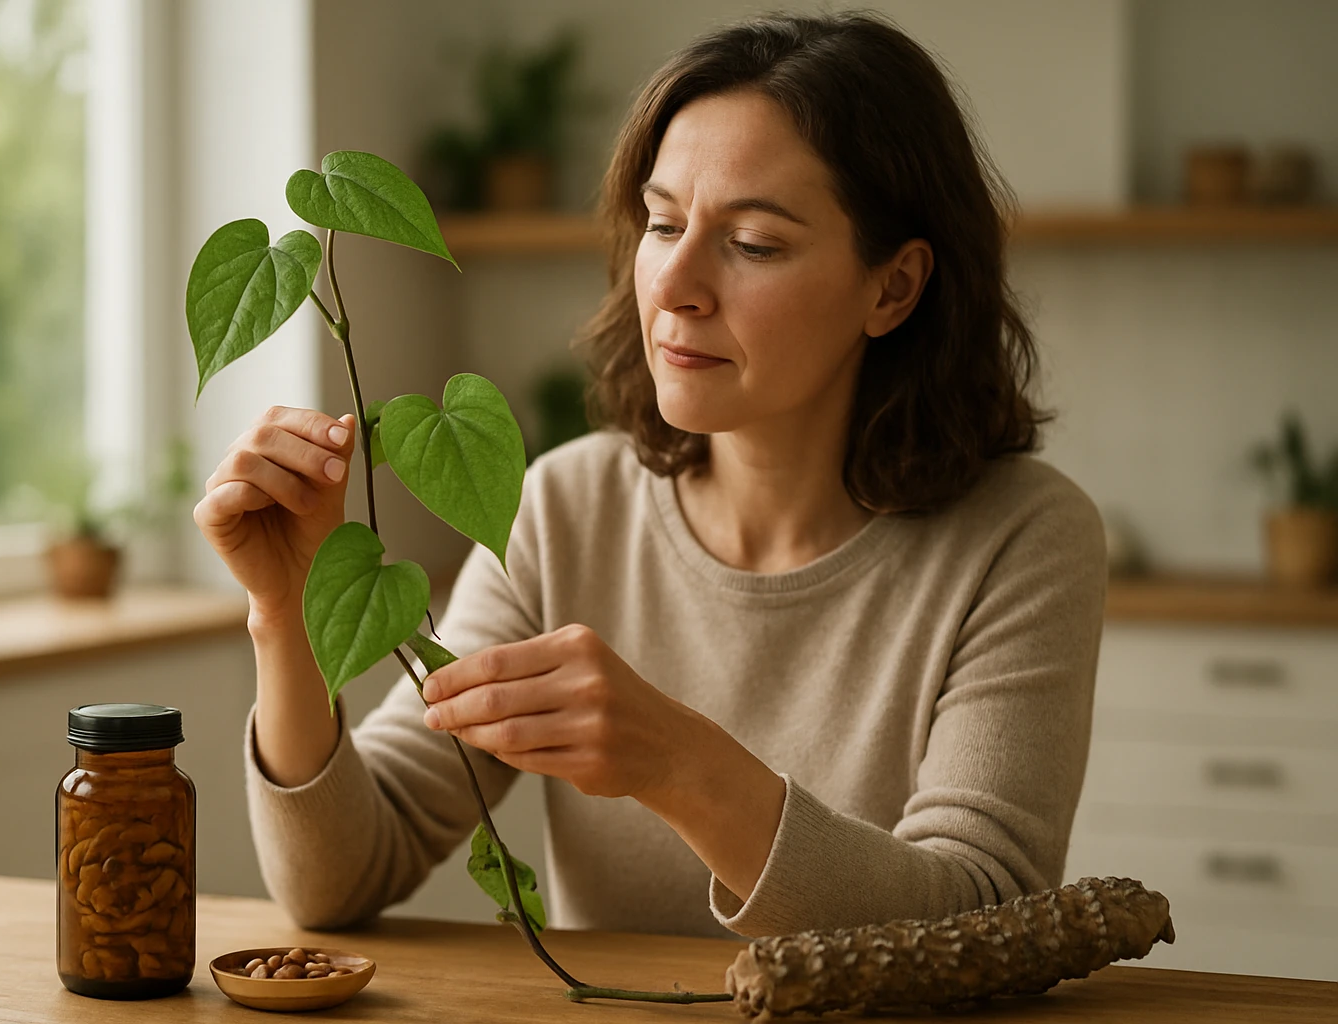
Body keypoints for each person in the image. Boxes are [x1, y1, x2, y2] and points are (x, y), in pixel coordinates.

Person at [194, 10, 1106, 941]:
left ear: (894, 287)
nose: (674, 284)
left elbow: (987, 917)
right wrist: (285, 614)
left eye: (753, 243)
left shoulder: (1024, 537)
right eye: (663, 223)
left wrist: (682, 766)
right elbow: (340, 878)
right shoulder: (565, 506)